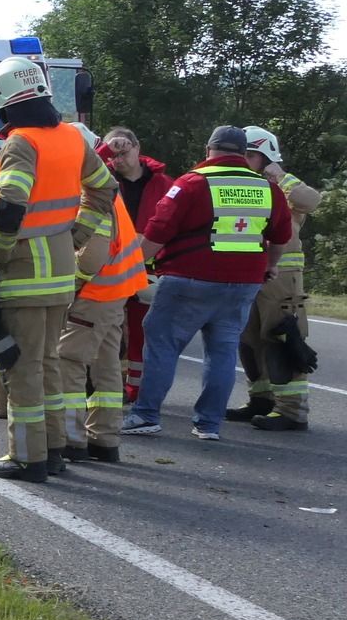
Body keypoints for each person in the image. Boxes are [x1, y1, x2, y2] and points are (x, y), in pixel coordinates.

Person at [0, 58, 115, 482]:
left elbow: (10, 206)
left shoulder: (20, 143)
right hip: (59, 272)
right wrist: (75, 237)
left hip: (23, 272)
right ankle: (53, 449)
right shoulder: (73, 138)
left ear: (3, 102)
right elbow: (105, 187)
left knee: (20, 369)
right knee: (48, 364)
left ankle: (27, 457)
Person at [122, 125, 292, 441]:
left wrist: (130, 271)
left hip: (188, 279)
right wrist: (271, 266)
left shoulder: (192, 183)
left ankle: (146, 415)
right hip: (243, 284)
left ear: (208, 150)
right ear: (244, 153)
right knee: (223, 352)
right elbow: (281, 236)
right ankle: (208, 424)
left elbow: (158, 231)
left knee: (162, 345)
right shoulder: (267, 188)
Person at [58, 125, 149, 463]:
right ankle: (105, 440)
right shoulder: (105, 186)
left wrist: (73, 283)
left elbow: (93, 253)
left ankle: (71, 439)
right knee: (107, 365)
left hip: (94, 293)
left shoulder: (88, 190)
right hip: (116, 290)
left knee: (70, 360)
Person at [227, 126, 322, 431]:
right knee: (249, 339)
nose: (244, 160)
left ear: (266, 157)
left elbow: (312, 200)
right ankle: (261, 400)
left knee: (280, 337)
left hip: (282, 277)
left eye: (250, 155)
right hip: (248, 271)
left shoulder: (284, 186)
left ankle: (292, 411)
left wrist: (281, 176)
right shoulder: (242, 184)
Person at [97, 126, 173, 401]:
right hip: (109, 267)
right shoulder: (102, 179)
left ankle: (137, 387)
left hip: (149, 271)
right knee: (109, 331)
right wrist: (104, 150)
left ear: (138, 148)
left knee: (142, 331)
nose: (118, 158)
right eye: (113, 154)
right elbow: (78, 170)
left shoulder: (164, 184)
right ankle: (110, 385)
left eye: (123, 150)